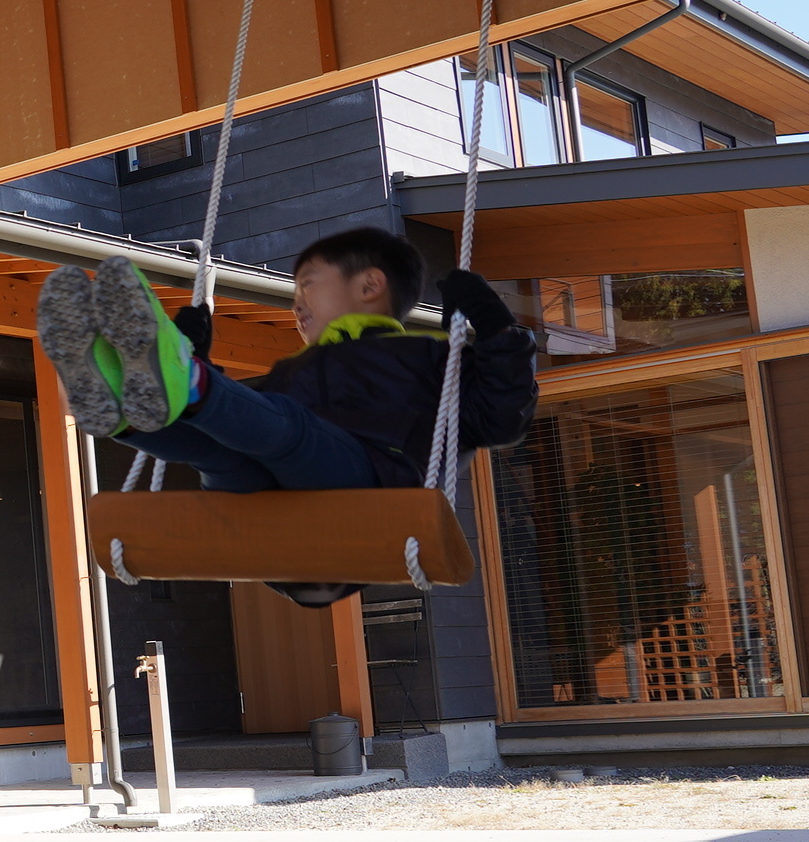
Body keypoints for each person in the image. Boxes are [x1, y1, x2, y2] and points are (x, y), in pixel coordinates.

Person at [35, 228, 537, 593]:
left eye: (308, 284)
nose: (296, 302)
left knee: (286, 428)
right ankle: (118, 409)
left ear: (368, 286)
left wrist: (494, 326)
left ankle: (185, 381)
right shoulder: (291, 372)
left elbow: (501, 415)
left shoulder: (431, 358)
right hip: (270, 513)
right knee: (224, 447)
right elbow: (246, 420)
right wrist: (198, 354)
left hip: (369, 493)